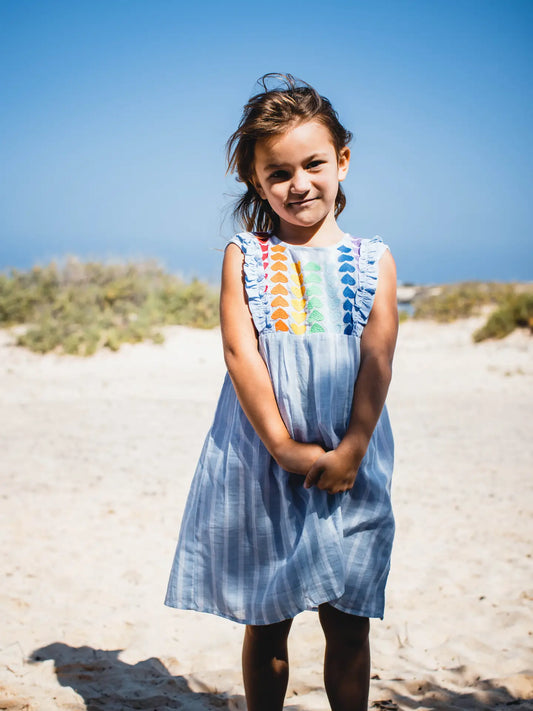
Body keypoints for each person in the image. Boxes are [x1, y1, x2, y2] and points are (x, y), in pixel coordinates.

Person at [165, 73, 398, 711]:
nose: (299, 184)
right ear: (256, 181)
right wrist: (282, 445)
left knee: (348, 617)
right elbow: (242, 355)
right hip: (263, 460)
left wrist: (352, 446)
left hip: (352, 457)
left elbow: (377, 359)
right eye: (278, 172)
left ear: (342, 161)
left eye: (314, 164)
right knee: (267, 616)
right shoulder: (246, 255)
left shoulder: (374, 259)